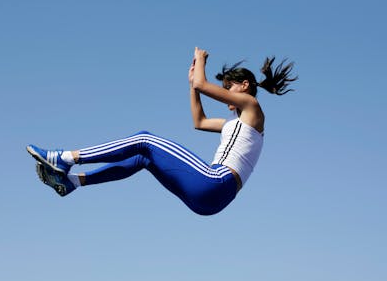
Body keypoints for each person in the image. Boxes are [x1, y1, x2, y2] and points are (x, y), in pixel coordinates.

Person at [26, 47, 297, 215]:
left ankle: (64, 158)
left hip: (217, 182)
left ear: (245, 85)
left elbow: (204, 84)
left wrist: (199, 60)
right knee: (144, 158)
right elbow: (199, 122)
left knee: (145, 139)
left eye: (229, 88)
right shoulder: (234, 125)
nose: (226, 95)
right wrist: (193, 84)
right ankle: (73, 182)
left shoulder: (252, 107)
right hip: (212, 201)